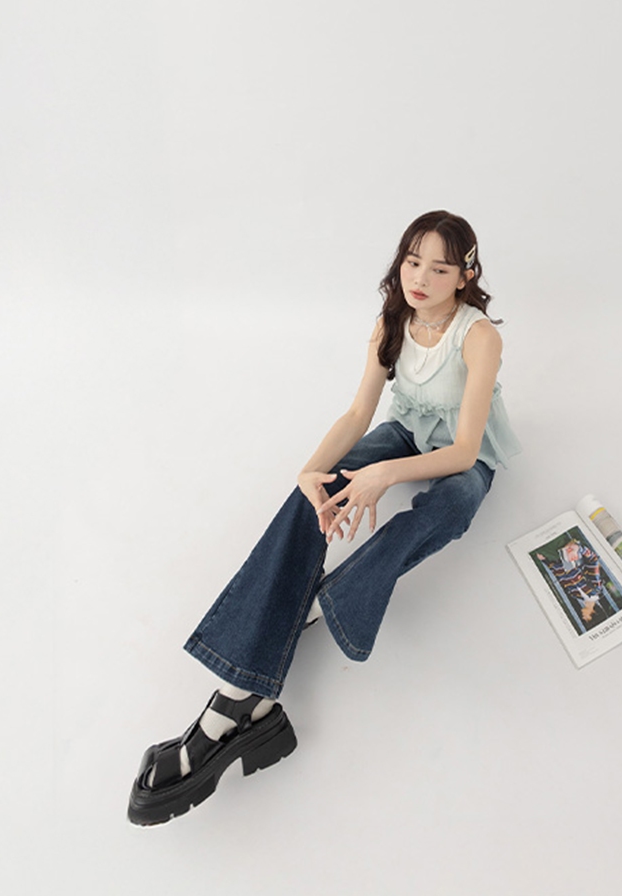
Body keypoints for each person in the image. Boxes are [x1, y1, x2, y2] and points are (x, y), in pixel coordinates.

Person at [128, 211, 520, 825]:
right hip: (406, 431)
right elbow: (359, 414)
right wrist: (309, 473)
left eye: (439, 269)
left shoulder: (478, 338)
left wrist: (384, 476)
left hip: (459, 455)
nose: (420, 279)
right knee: (314, 488)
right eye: (412, 261)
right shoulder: (392, 320)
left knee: (454, 504)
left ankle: (309, 612)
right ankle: (239, 703)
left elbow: (466, 451)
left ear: (466, 276)